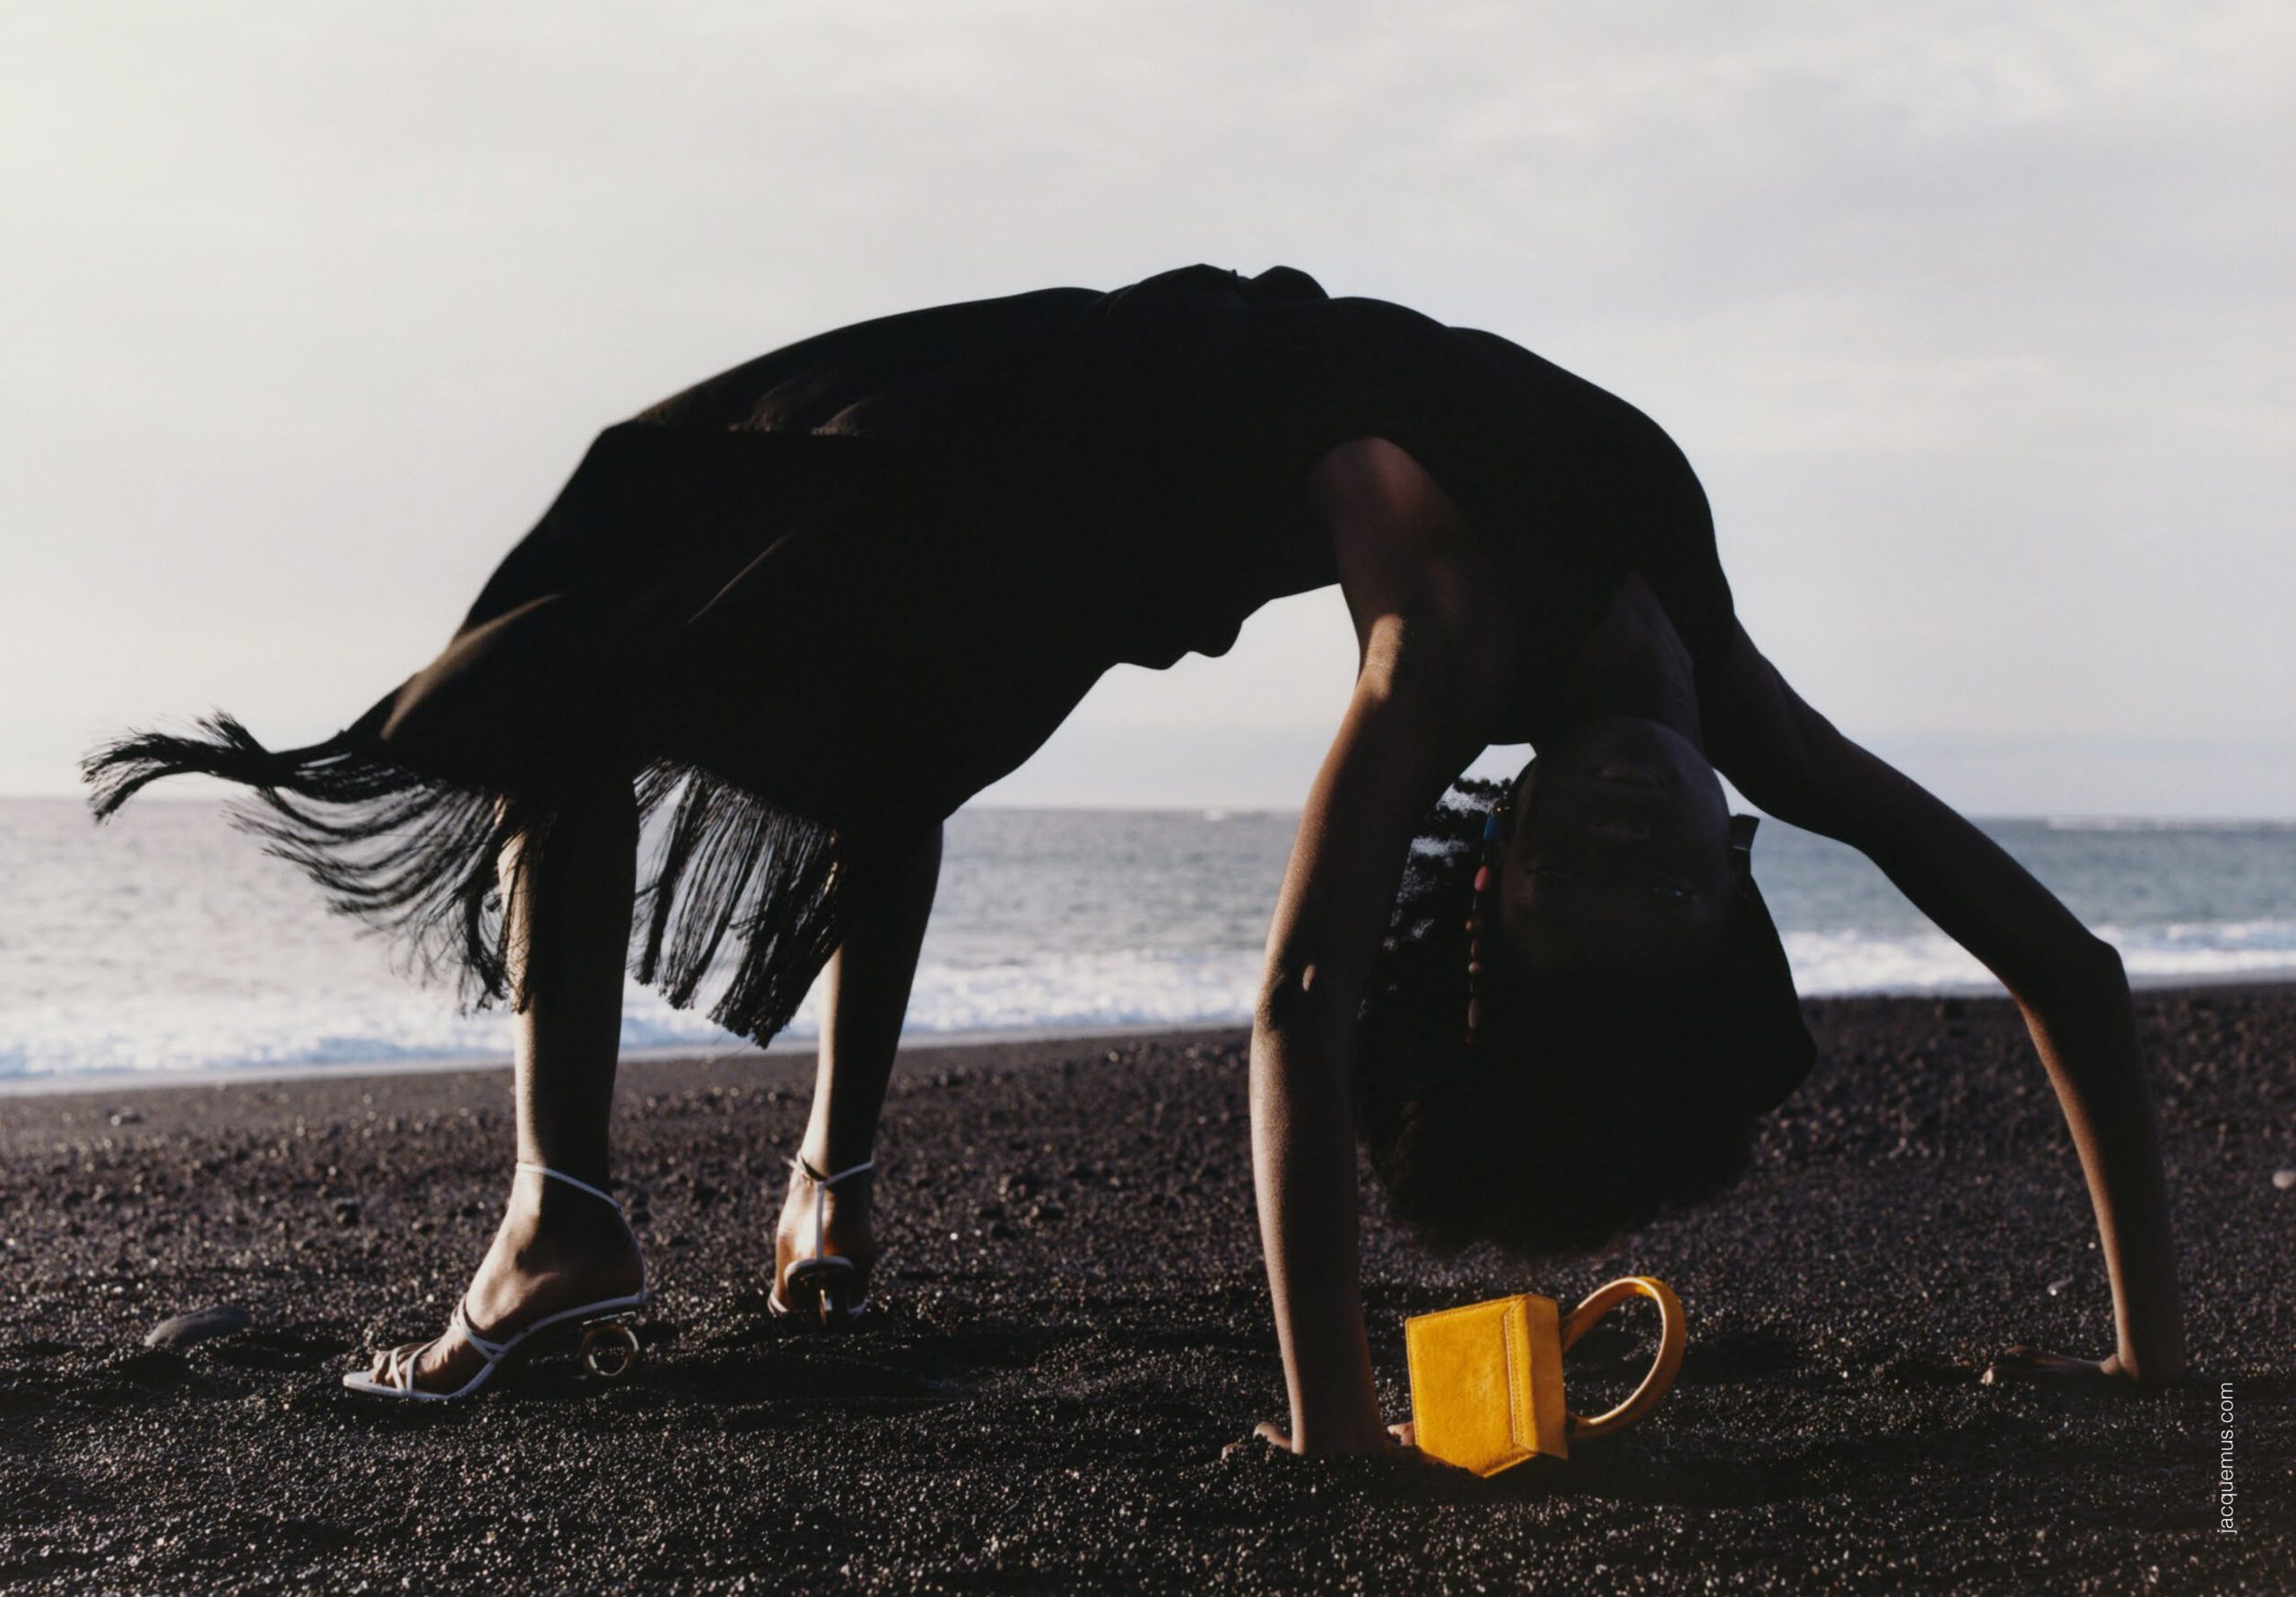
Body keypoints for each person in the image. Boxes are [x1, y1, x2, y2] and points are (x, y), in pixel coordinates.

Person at [82, 264, 2186, 1434]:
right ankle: (771, 1207)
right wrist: (2145, 1350)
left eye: (1585, 890)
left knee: (644, 680)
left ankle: (597, 1224)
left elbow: (1294, 1004)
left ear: (1507, 857)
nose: (1629, 834)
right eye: (1659, 883)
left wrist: (1334, 1429)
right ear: (1736, 865)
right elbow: (2065, 973)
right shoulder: (1745, 711)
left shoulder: (1441, 641)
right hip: (1058, 412)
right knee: (711, 661)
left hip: (1093, 516)